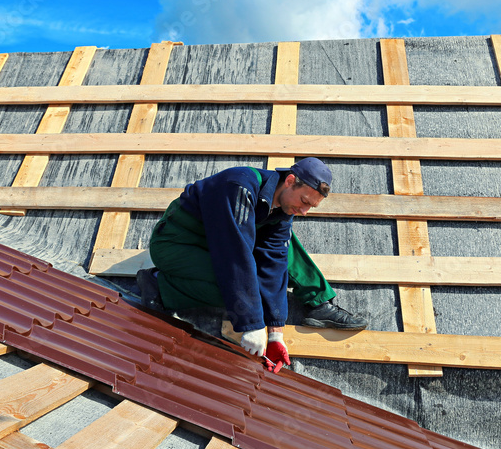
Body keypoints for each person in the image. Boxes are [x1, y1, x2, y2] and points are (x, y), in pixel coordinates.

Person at [136, 157, 366, 373]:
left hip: (212, 244)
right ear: (290, 181)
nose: (304, 211)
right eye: (304, 201)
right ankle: (159, 286)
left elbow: (274, 262)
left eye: (310, 207)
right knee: (232, 291)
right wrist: (252, 325)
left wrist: (275, 332)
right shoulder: (239, 187)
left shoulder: (282, 206)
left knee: (283, 243)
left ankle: (317, 302)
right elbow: (234, 258)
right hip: (177, 244)